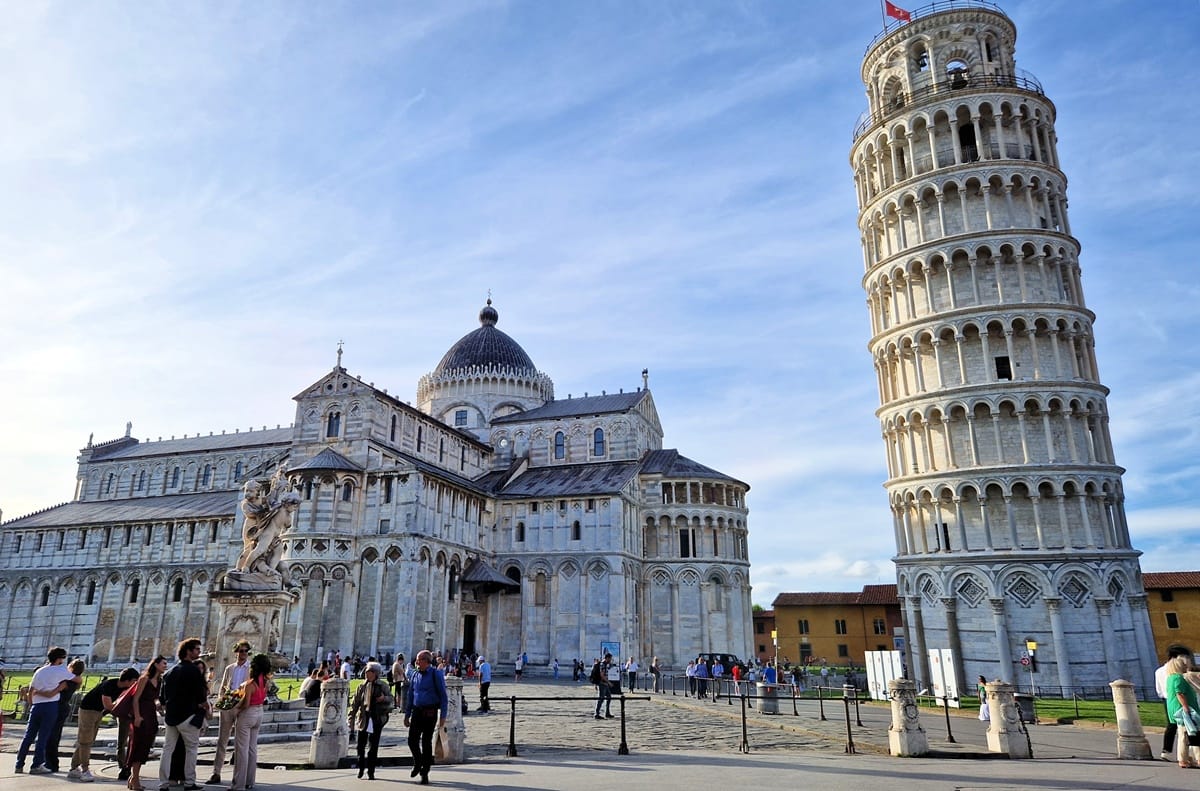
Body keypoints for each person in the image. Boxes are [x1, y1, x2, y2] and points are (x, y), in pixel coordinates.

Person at [15, 646, 82, 775]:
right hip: (50, 706)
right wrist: (58, 687)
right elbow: (77, 679)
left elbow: (30, 690)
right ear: (59, 659)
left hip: (36, 706)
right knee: (43, 737)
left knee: (28, 736)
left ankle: (19, 764)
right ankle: (37, 765)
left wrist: (32, 703)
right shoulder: (60, 671)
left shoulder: (39, 671)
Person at [71, 667, 138, 783]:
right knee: (85, 741)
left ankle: (73, 768)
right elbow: (108, 705)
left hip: (98, 712)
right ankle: (85, 770)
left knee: (88, 741)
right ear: (128, 680)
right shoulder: (108, 685)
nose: (135, 684)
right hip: (88, 710)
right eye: (134, 681)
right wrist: (125, 712)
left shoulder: (125, 687)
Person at [159, 638, 209, 791]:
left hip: (171, 716)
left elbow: (162, 697)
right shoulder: (194, 671)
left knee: (167, 749)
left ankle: (163, 783)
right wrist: (202, 705)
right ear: (188, 651)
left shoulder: (170, 672)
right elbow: (201, 695)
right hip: (188, 715)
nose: (199, 653)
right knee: (192, 749)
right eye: (197, 650)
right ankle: (189, 782)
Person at [209, 641, 252, 785]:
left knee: (240, 743)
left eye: (245, 651)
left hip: (242, 707)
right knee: (222, 740)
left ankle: (238, 777)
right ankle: (216, 772)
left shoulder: (251, 669)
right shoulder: (229, 668)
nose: (243, 653)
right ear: (236, 652)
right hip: (228, 706)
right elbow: (223, 686)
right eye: (240, 651)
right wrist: (222, 701)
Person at [403, 650, 447, 786]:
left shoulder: (436, 674)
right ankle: (418, 762)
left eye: (419, 659)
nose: (416, 662)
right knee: (412, 741)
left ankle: (425, 772)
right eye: (416, 659)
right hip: (417, 711)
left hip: (430, 712)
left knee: (426, 742)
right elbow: (411, 696)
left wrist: (443, 716)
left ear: (427, 661)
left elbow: (443, 696)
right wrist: (407, 714)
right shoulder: (415, 674)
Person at [230, 653, 272, 791]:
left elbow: (245, 704)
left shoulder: (250, 684)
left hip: (248, 715)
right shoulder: (266, 681)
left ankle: (238, 784)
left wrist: (235, 705)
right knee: (252, 749)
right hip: (259, 713)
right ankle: (249, 781)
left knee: (241, 750)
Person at [127, 656, 168, 791]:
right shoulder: (144, 679)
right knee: (138, 746)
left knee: (145, 747)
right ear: (155, 664)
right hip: (141, 714)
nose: (165, 666)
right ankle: (135, 778)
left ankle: (134, 777)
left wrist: (158, 706)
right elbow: (135, 699)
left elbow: (155, 697)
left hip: (151, 715)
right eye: (163, 663)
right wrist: (137, 716)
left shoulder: (160, 681)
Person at [349, 661, 393, 779]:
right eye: (366, 671)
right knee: (360, 745)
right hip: (363, 718)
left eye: (369, 672)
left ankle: (371, 770)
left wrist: (384, 698)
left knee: (373, 746)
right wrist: (351, 718)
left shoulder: (382, 685)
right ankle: (361, 766)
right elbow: (355, 704)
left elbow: (391, 700)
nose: (366, 674)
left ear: (375, 673)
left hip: (377, 719)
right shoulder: (361, 686)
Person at [46, 658, 86, 772]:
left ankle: (51, 763)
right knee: (54, 735)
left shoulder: (67, 681)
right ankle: (51, 762)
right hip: (63, 707)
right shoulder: (75, 680)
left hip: (58, 707)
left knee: (51, 736)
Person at [1157, 643, 1194, 761]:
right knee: (1189, 726)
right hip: (1181, 698)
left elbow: (1159, 689)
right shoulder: (1178, 672)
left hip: (1167, 700)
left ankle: (1166, 751)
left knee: (1171, 725)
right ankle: (1190, 754)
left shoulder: (1159, 671)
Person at [1164, 654, 1200, 769]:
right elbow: (1179, 693)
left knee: (1184, 734)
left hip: (1175, 708)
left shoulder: (1170, 678)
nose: (1185, 666)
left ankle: (1185, 759)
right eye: (1183, 664)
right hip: (1183, 709)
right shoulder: (1178, 678)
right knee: (1192, 733)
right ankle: (1193, 758)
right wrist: (1186, 707)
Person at [592, 653, 614, 719]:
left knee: (609, 697)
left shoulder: (606, 664)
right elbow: (602, 675)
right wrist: (609, 682)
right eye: (610, 659)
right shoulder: (602, 664)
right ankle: (597, 713)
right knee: (601, 699)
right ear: (607, 658)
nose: (611, 660)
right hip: (602, 684)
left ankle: (607, 712)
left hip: (605, 684)